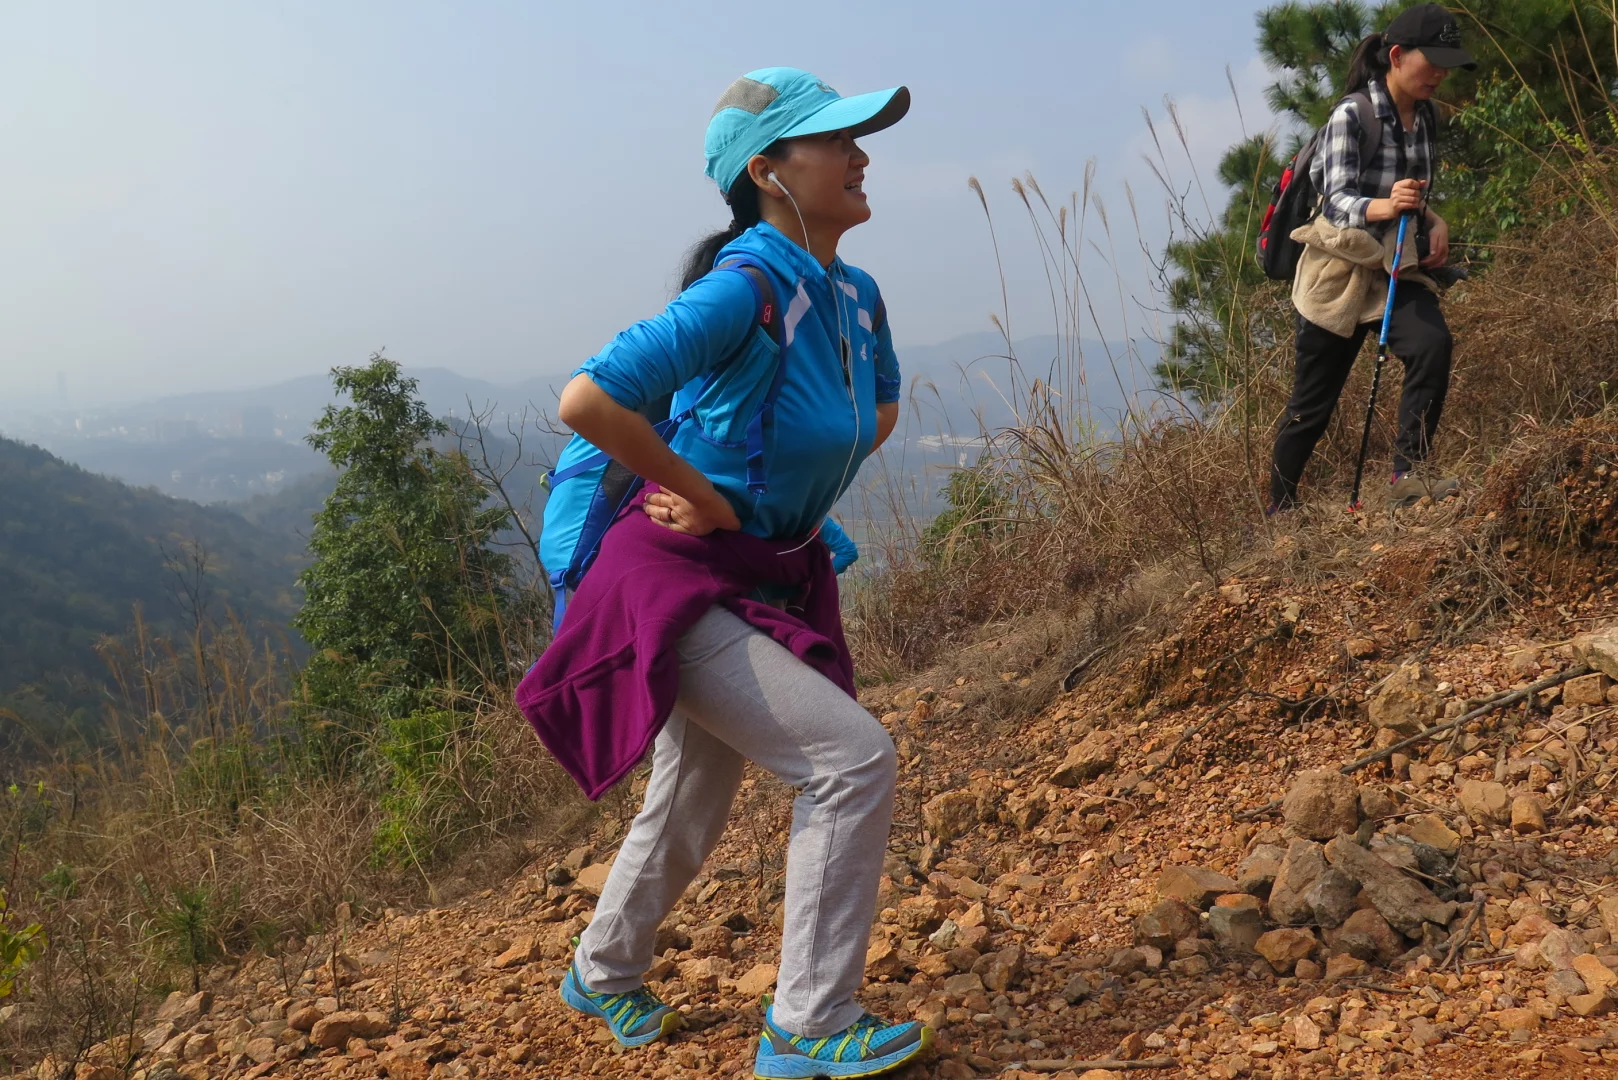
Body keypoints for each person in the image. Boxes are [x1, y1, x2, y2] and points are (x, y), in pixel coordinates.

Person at [525, 68, 929, 1079]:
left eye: (859, 137)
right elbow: (588, 400)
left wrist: (782, 498)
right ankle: (808, 1025)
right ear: (766, 171)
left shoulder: (855, 296)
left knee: (696, 784)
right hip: (670, 571)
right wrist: (705, 495)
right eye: (836, 140)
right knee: (850, 761)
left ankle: (603, 971)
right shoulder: (742, 289)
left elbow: (876, 410)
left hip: (757, 567)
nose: (861, 155)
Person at [1269, 3, 1477, 513]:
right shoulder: (1352, 114)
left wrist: (1433, 220)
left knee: (1432, 345)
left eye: (1448, 65)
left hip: (1393, 267)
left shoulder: (1425, 116)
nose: (1442, 74)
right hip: (1337, 273)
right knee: (1312, 406)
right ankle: (1279, 508)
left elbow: (1415, 193)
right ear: (1398, 55)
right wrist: (1387, 206)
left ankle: (1409, 475)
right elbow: (1336, 201)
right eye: (1434, 62)